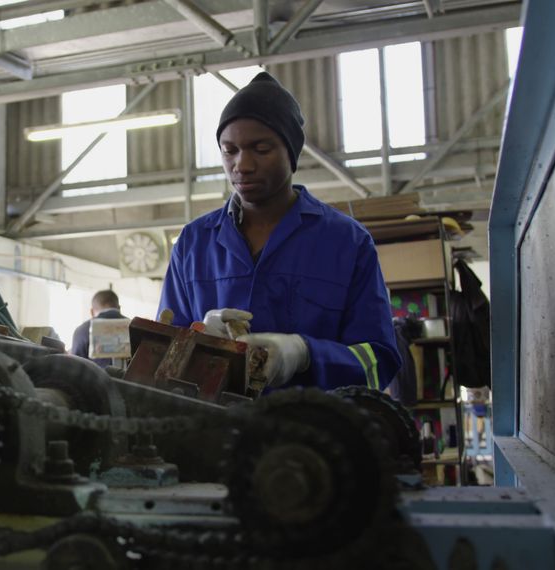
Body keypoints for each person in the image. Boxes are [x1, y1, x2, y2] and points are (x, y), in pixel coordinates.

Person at [158, 72, 401, 391]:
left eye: (261, 148)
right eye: (229, 150)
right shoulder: (193, 243)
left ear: (291, 152)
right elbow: (161, 362)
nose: (242, 165)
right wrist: (199, 338)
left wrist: (305, 354)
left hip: (310, 433)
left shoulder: (346, 242)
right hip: (216, 432)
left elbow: (378, 362)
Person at [71, 289, 126, 367]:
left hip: (95, 378)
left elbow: (75, 365)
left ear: (92, 312)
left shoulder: (82, 330)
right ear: (119, 308)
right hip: (132, 378)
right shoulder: (135, 327)